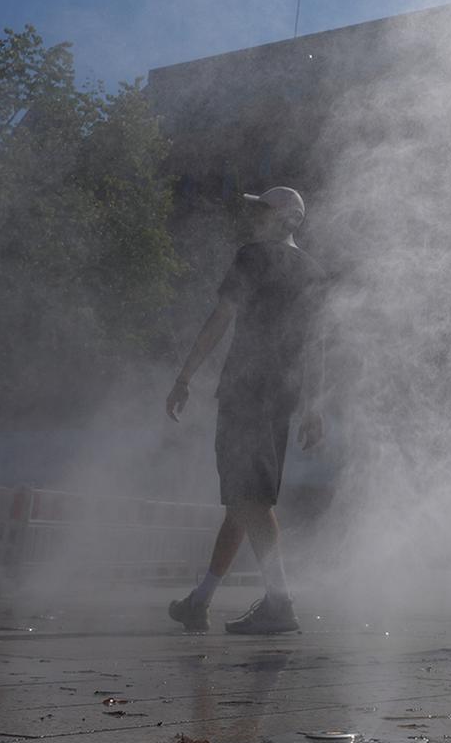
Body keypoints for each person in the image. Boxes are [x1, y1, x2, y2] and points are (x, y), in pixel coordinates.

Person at [165, 186, 328, 636]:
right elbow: (314, 345)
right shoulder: (313, 272)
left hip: (246, 390)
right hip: (283, 396)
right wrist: (312, 407)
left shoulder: (253, 256)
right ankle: (200, 601)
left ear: (287, 219)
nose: (255, 217)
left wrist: (184, 379)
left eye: (263, 210)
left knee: (249, 498)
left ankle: (279, 603)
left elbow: (221, 317)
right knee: (244, 498)